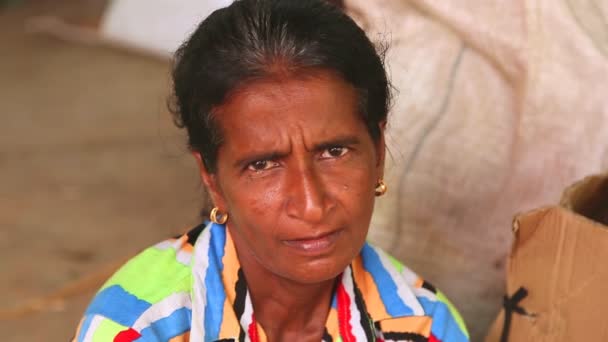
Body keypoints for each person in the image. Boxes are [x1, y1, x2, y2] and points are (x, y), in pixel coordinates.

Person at [73, 0, 469, 341]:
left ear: (378, 152)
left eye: (334, 151)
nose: (312, 205)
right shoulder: (141, 327)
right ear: (212, 178)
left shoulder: (422, 325)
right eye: (262, 165)